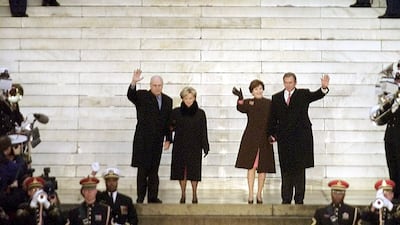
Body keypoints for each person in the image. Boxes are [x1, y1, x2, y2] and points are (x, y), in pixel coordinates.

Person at [269, 72, 330, 204]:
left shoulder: (303, 94)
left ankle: (299, 199)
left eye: (290, 82)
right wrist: (272, 134)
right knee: (285, 170)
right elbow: (272, 118)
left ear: (295, 82)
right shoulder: (276, 97)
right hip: (284, 140)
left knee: (299, 170)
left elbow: (316, 95)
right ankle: (286, 198)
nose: (288, 85)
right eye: (286, 82)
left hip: (301, 139)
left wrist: (323, 88)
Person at [127, 68, 172, 204]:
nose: (157, 88)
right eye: (154, 85)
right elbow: (131, 95)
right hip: (143, 140)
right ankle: (140, 196)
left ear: (162, 86)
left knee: (154, 170)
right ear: (150, 85)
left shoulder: (167, 100)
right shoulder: (142, 96)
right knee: (142, 170)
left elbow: (168, 121)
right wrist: (133, 82)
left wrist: (168, 138)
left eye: (159, 85)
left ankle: (152, 197)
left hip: (157, 141)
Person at [232, 80, 276, 204]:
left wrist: (274, 135)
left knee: (263, 168)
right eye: (255, 89)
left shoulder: (270, 103)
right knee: (250, 167)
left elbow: (274, 120)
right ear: (252, 91)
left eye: (260, 88)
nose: (258, 91)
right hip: (250, 138)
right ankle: (250, 194)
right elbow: (240, 107)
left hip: (265, 138)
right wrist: (240, 97)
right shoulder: (249, 102)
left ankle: (259, 194)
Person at [169, 86, 209, 204]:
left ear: (194, 98)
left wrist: (205, 145)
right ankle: (182, 194)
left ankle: (195, 194)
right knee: (181, 171)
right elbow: (170, 127)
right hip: (180, 145)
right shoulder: (176, 112)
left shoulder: (200, 113)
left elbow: (203, 130)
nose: (188, 100)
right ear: (182, 98)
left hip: (195, 146)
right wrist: (169, 137)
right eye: (186, 98)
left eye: (191, 98)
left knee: (194, 172)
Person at [370, 61, 400, 200]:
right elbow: (381, 118)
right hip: (391, 136)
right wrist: (390, 106)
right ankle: (395, 196)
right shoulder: (391, 92)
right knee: (392, 167)